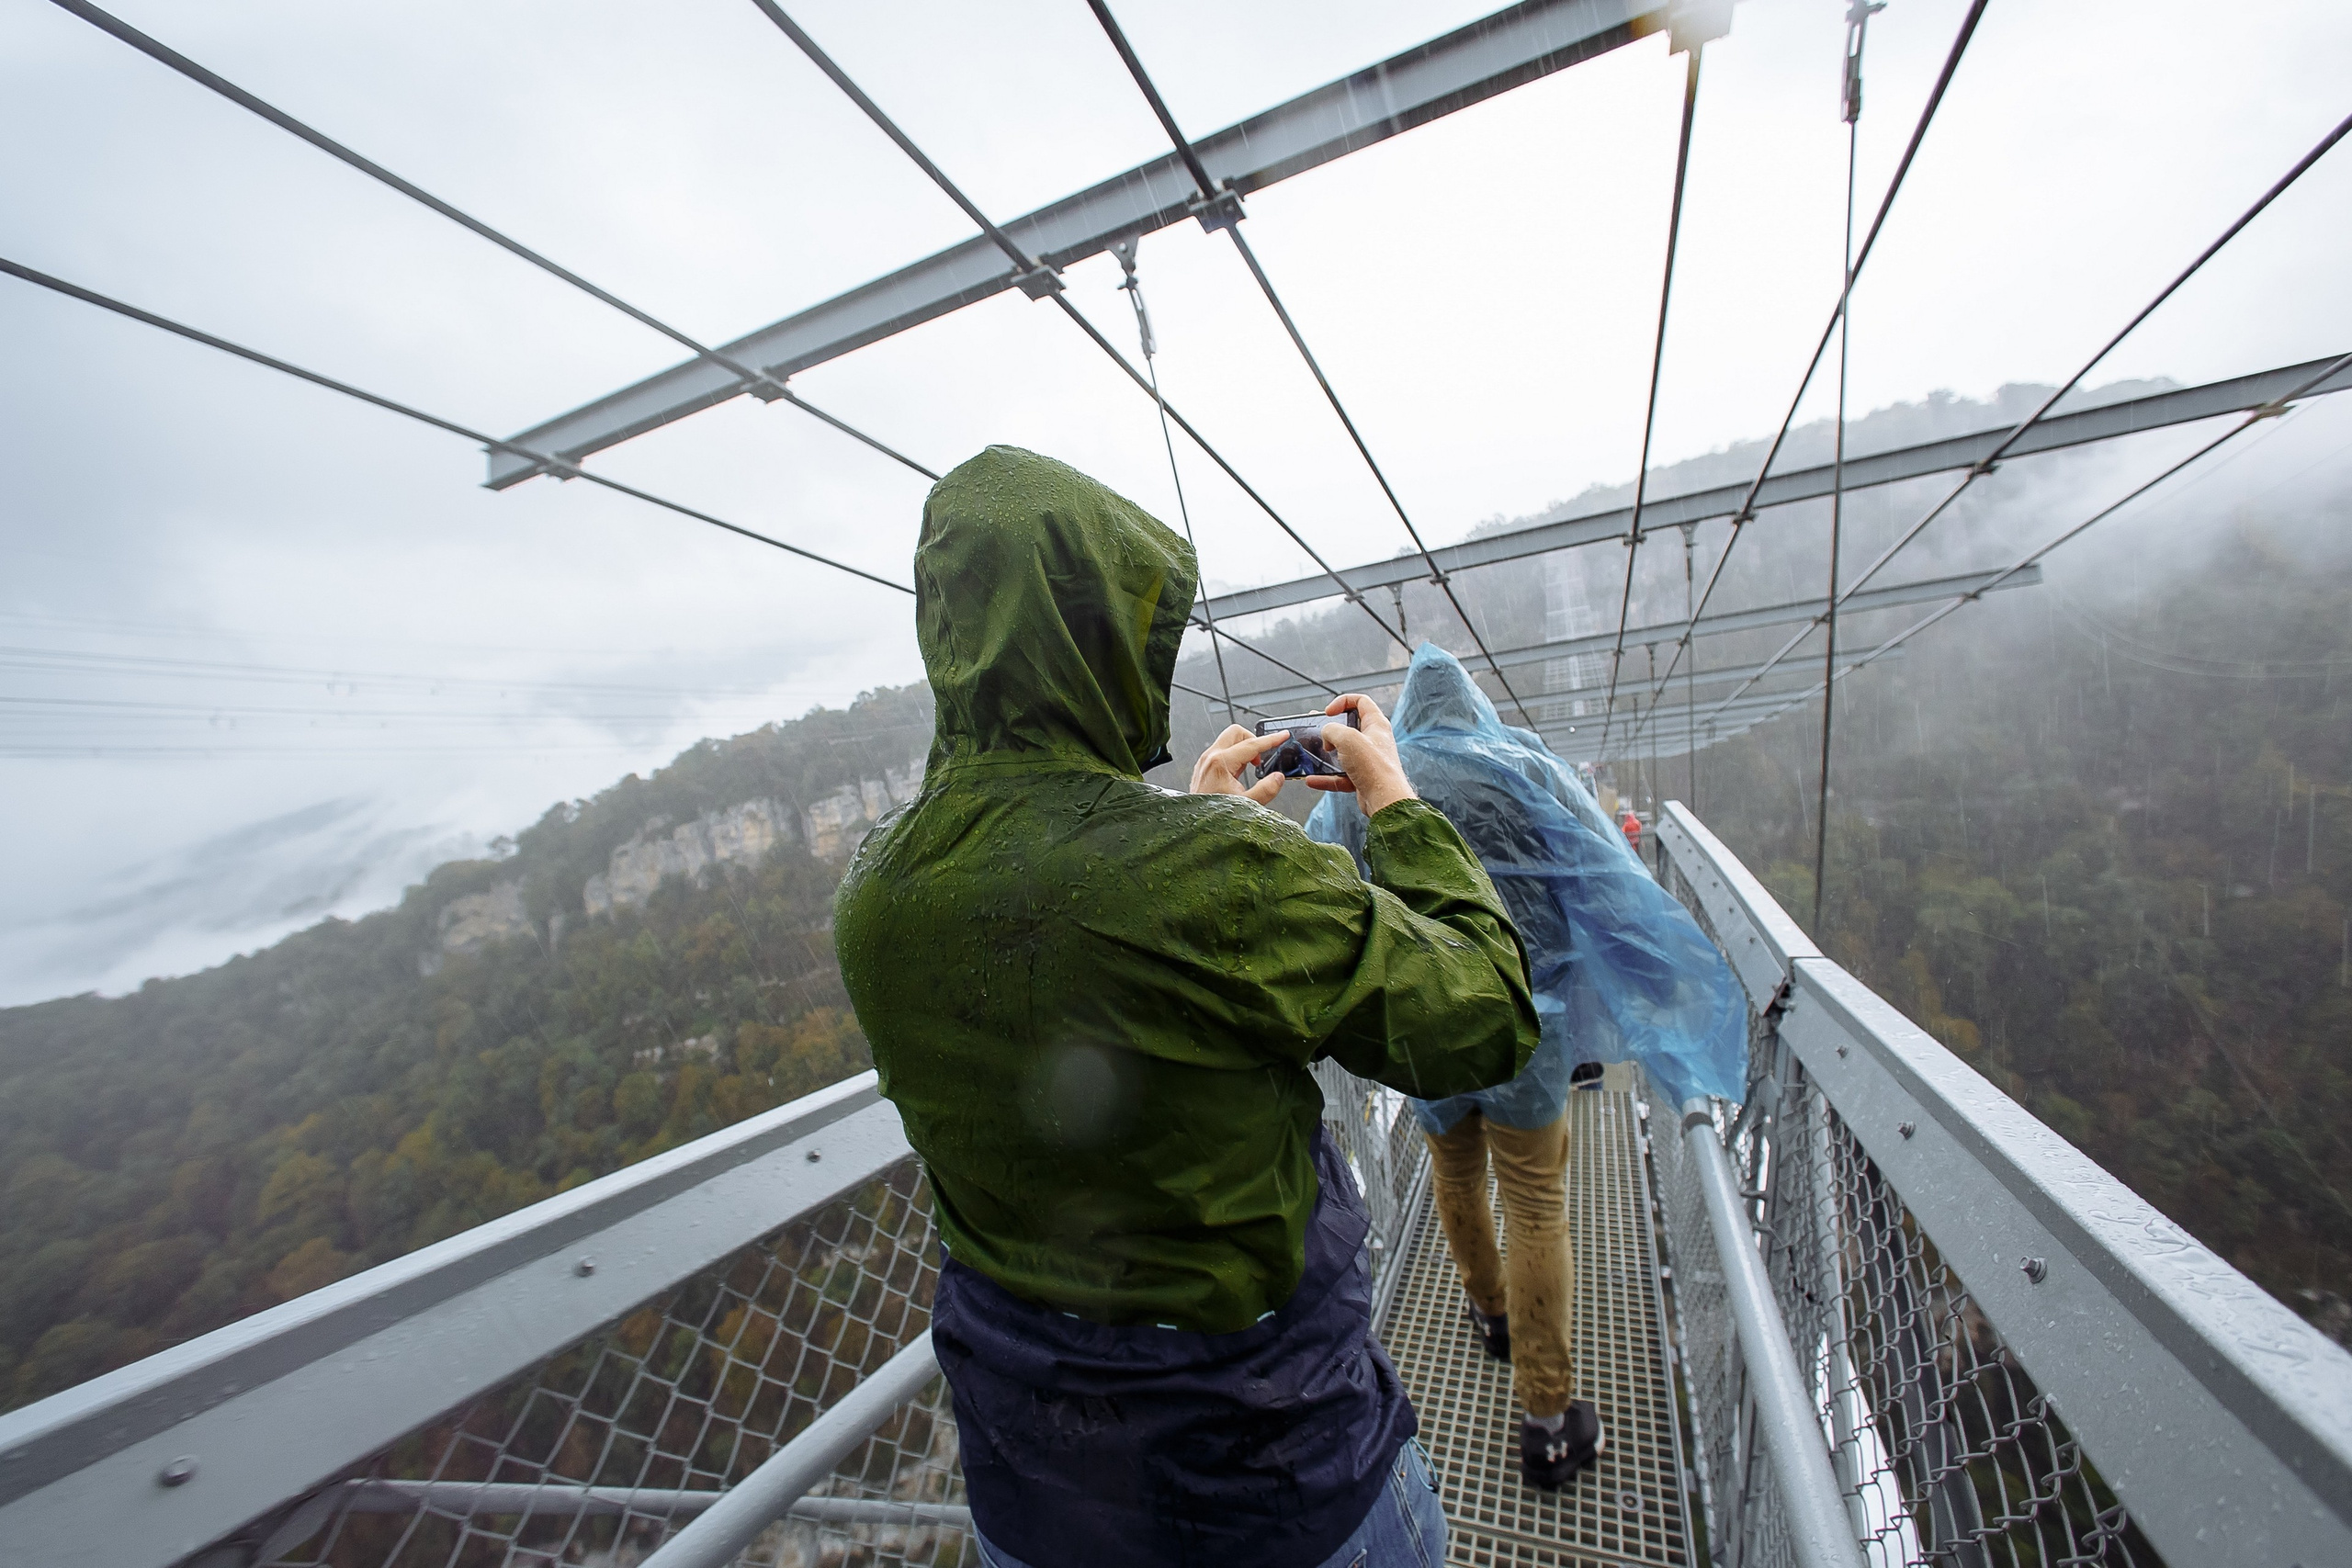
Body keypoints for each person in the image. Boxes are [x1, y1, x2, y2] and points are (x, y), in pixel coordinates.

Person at [833, 447, 1542, 1568]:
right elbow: (1484, 1012)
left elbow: (1079, 934)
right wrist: (1392, 801)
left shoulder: (875, 893)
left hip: (1036, 1492)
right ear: (1103, 641)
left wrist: (1199, 826)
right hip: (1269, 1477)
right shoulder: (1209, 877)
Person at [1307, 645, 1748, 1492]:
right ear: (1471, 700)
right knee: (1537, 1204)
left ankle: (1490, 1310)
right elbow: (1604, 875)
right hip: (1526, 1029)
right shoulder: (1519, 766)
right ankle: (1547, 1417)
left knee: (1454, 1175)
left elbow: (1333, 885)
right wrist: (1656, 990)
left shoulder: (1369, 783)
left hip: (1423, 1030)